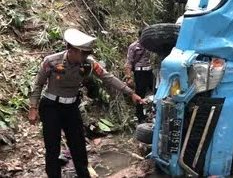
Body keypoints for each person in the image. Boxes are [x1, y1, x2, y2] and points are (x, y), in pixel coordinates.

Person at [28, 28, 145, 178]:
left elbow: (107, 77)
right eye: (83, 53)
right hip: (51, 107)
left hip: (71, 108)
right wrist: (33, 107)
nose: (86, 56)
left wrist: (131, 93)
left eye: (87, 53)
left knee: (78, 147)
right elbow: (38, 85)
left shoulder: (89, 64)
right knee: (52, 149)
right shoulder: (51, 62)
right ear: (71, 50)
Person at [124, 30, 154, 123]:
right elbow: (128, 63)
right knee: (139, 94)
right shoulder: (133, 47)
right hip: (139, 72)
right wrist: (128, 77)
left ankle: (153, 113)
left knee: (156, 91)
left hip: (149, 71)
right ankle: (140, 117)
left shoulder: (150, 45)